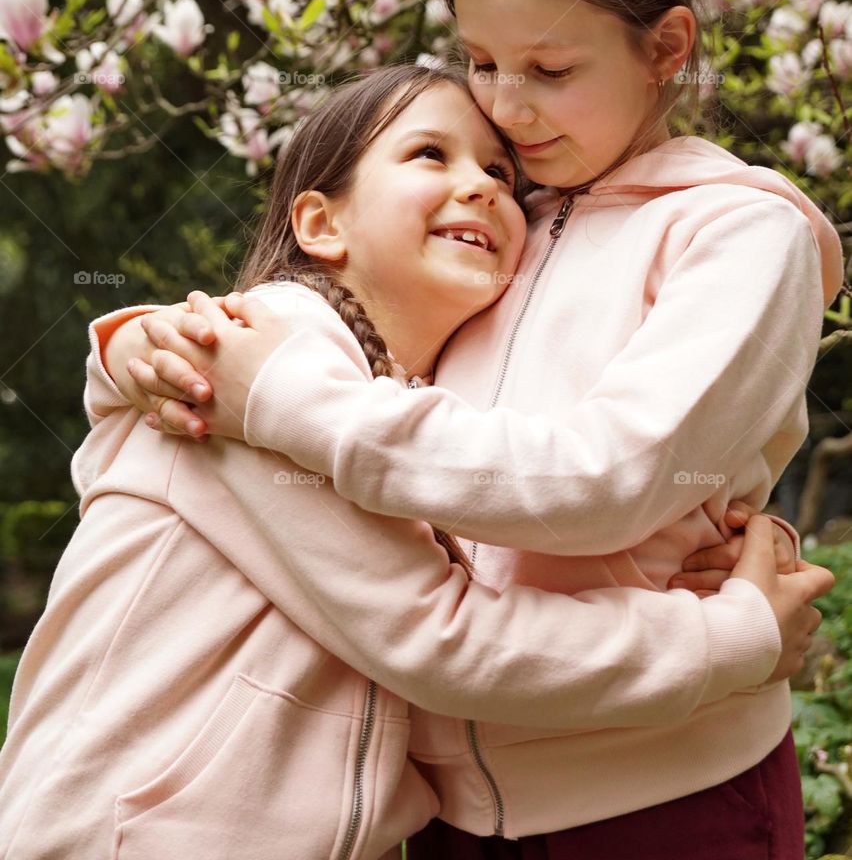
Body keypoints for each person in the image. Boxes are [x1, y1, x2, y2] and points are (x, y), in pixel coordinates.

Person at [128, 0, 844, 858]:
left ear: (667, 44)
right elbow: (345, 329)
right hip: (448, 810)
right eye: (482, 60)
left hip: (661, 791)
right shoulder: (498, 215)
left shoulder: (738, 236)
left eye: (550, 69)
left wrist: (281, 400)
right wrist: (148, 341)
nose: (505, 106)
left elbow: (614, 474)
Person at [1, 65, 824, 860]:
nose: (484, 187)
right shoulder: (246, 370)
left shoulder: (387, 403)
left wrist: (723, 526)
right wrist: (736, 633)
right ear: (320, 224)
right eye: (431, 154)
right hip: (133, 835)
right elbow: (441, 636)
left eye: (501, 172)